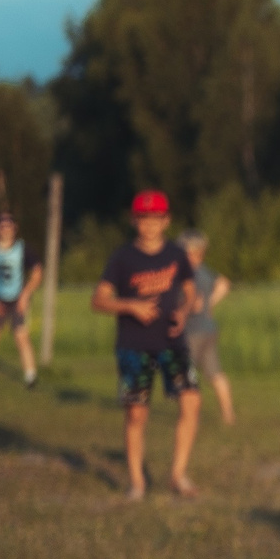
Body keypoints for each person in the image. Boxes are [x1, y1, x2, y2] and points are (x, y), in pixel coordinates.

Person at [90, 190, 201, 499]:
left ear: (166, 221)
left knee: (191, 402)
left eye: (156, 218)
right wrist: (130, 306)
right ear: (133, 220)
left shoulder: (177, 255)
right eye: (143, 219)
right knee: (136, 414)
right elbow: (98, 300)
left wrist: (184, 309)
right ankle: (137, 481)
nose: (150, 225)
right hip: (134, 345)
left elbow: (191, 291)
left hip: (172, 343)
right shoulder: (122, 257)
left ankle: (178, 475)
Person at [178, 230, 235, 426]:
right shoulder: (204, 271)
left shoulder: (189, 275)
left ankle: (190, 415)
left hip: (192, 331)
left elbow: (193, 302)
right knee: (215, 373)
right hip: (209, 329)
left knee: (187, 375)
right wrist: (210, 304)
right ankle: (228, 414)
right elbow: (224, 284)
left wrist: (199, 304)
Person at [0, 211, 39, 388]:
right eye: (2, 226)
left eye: (9, 226)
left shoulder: (23, 248)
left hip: (18, 297)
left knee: (21, 335)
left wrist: (26, 295)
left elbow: (36, 272)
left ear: (15, 228)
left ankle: (30, 376)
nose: (6, 229)